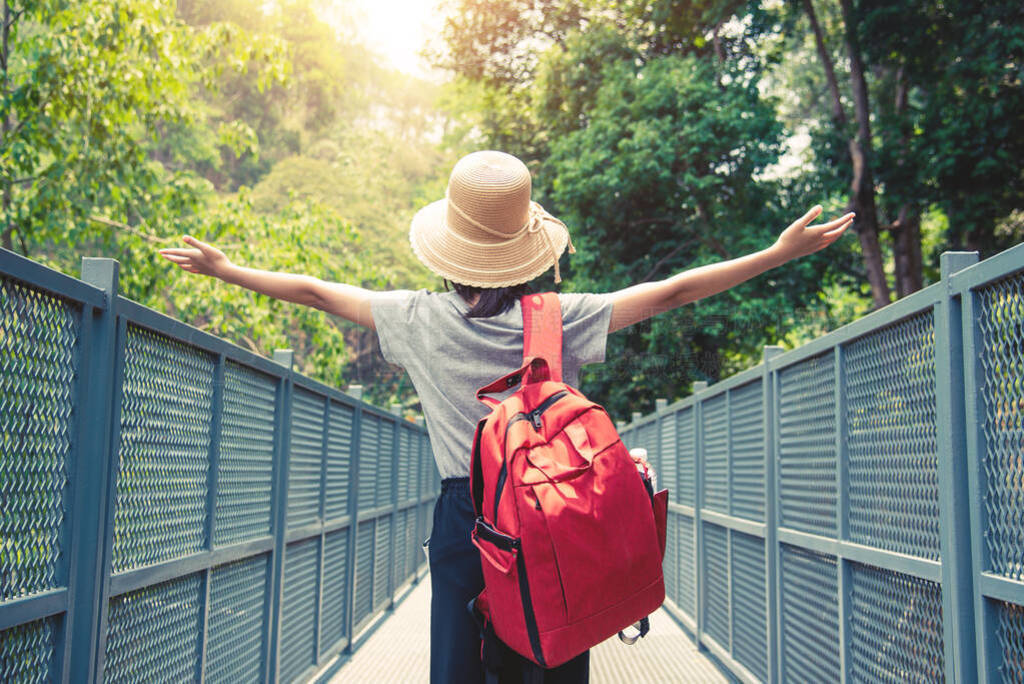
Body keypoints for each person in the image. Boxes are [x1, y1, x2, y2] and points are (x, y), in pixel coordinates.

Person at [159, 150, 853, 682]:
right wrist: (777, 252)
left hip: (466, 518)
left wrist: (227, 269)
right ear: (528, 252)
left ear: (450, 254)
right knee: (551, 653)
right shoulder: (564, 318)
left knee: (460, 666)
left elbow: (313, 291)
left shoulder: (417, 319)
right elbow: (673, 292)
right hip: (554, 515)